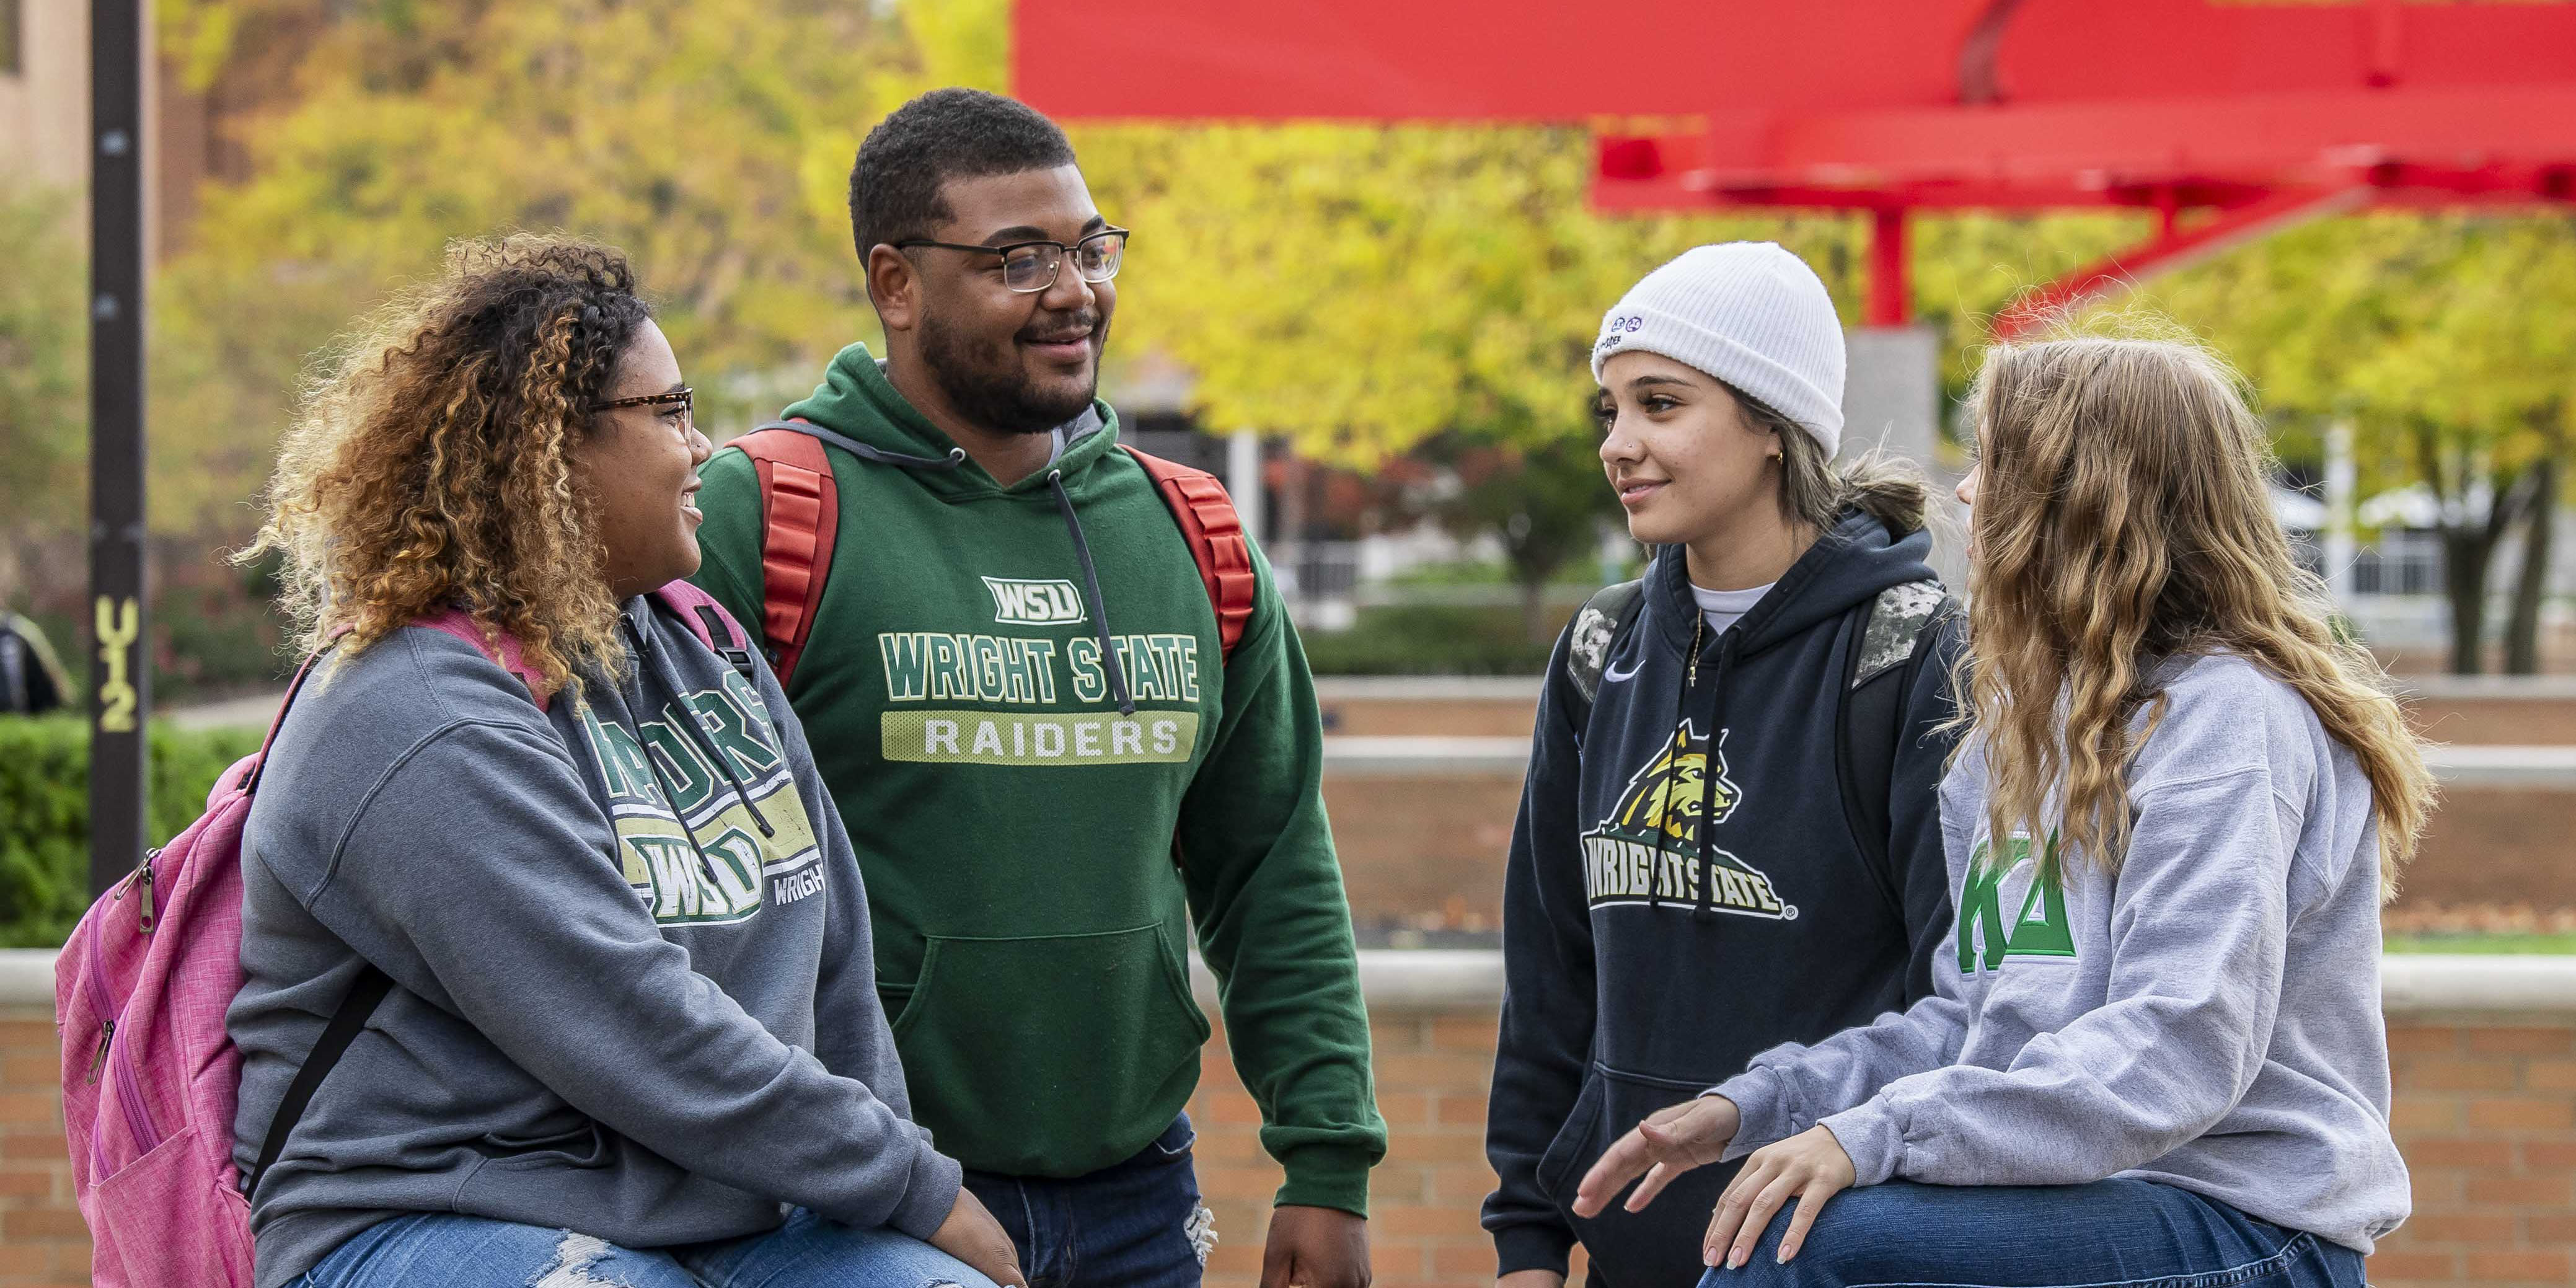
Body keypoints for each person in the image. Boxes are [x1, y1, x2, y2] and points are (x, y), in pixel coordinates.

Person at [228, 235, 1023, 1288]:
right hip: (429, 1207)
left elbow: (834, 956)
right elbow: (630, 1017)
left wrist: (887, 1198)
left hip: (723, 1205)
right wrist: (912, 1185)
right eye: (672, 412)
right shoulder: (413, 712)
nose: (706, 449)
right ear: (545, 449)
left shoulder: (704, 643)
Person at [688, 89, 1382, 1288]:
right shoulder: (759, 517)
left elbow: (1272, 868)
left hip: (1139, 1198)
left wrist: (1327, 1160)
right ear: (896, 284)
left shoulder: (1195, 533)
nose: (1076, 289)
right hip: (852, 1211)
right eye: (1019, 259)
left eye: (1088, 246)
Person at [1573, 333, 2436, 1287]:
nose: (1970, 491)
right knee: (1769, 1222)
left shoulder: (2229, 719)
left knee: (1810, 1252)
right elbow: (1969, 1022)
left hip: (2248, 1221)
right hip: (2089, 1195)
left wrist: (1877, 1136)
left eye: (1995, 461)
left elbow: (2179, 1044)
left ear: (2090, 494)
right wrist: (1760, 1105)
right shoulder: (2013, 732)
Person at [1484, 243, 1963, 1288]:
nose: (1620, 444)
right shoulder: (1600, 647)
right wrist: (1529, 1237)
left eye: (1660, 404)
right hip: (1627, 1259)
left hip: (1827, 1257)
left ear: (1772, 428)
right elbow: (1551, 973)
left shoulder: (1912, 653)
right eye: (1609, 410)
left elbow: (1963, 995)